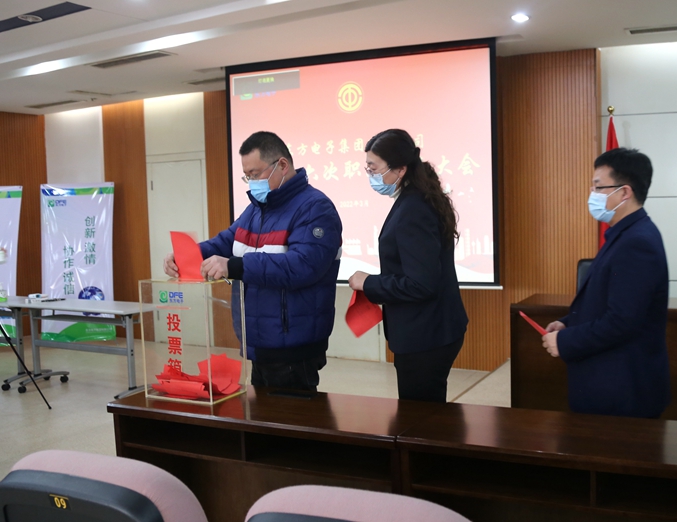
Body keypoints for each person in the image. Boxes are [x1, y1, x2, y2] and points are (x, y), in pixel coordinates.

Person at [163, 131, 342, 391]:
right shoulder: (256, 210)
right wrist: (187, 255)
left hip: (293, 343)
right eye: (247, 176)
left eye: (256, 174)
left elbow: (303, 266)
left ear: (282, 165)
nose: (252, 182)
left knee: (289, 415)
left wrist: (236, 266)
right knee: (261, 414)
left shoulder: (315, 207)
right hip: (258, 339)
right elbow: (225, 242)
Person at [541, 147, 670, 418]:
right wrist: (568, 323)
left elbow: (622, 321)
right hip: (611, 383)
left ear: (624, 192)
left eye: (599, 187)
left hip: (622, 390)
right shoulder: (624, 234)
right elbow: (607, 301)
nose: (593, 194)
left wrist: (566, 341)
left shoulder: (637, 242)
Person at [347, 129, 467, 403]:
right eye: (367, 168)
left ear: (400, 169)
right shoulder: (416, 198)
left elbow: (421, 283)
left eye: (374, 168)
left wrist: (369, 283)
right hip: (429, 329)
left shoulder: (414, 209)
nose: (370, 175)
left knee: (420, 418)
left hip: (425, 334)